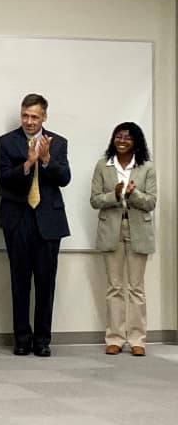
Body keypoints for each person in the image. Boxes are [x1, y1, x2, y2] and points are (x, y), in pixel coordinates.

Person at [0, 93, 70, 357]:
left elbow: (64, 178)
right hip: (18, 219)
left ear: (44, 117)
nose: (29, 121)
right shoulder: (6, 142)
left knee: (46, 283)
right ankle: (22, 339)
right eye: (25, 115)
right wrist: (28, 162)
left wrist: (46, 160)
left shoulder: (58, 143)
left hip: (48, 220)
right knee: (20, 281)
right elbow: (4, 178)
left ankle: (42, 340)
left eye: (34, 117)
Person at [90, 122, 156, 356]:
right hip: (112, 229)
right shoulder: (103, 165)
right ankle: (115, 338)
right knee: (115, 287)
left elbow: (150, 202)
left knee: (136, 288)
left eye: (127, 137)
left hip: (138, 228)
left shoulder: (147, 167)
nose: (122, 140)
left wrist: (133, 193)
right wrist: (116, 194)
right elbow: (95, 200)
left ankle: (138, 339)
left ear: (136, 141)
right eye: (118, 136)